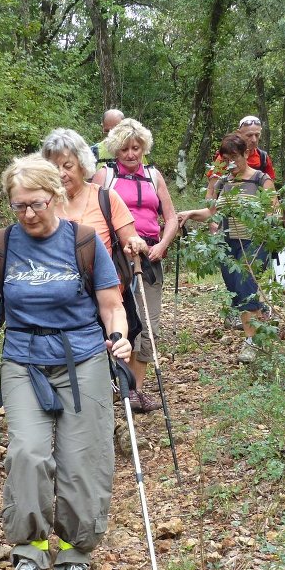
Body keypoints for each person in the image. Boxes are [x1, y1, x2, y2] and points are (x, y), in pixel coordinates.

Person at [0, 155, 131, 570]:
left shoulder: (84, 241)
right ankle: (31, 555)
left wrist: (118, 337)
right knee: (26, 452)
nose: (28, 214)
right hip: (24, 360)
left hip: (81, 359)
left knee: (83, 461)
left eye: (36, 204)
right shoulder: (2, 245)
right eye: (19, 206)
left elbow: (110, 305)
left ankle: (76, 558)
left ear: (56, 197)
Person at [92, 118, 179, 412]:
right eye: (125, 149)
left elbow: (172, 217)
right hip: (114, 259)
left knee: (147, 325)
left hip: (149, 258)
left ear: (144, 148)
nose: (131, 154)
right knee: (119, 322)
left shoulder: (154, 176)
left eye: (136, 148)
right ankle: (116, 386)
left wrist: (162, 246)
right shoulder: (105, 175)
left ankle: (135, 391)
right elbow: (91, 213)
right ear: (116, 149)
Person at [178, 132, 285, 363]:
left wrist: (262, 220)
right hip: (229, 244)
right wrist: (189, 214)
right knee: (237, 292)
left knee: (246, 287)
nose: (230, 164)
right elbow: (212, 213)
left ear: (246, 154)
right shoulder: (224, 182)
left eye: (234, 157)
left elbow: (275, 213)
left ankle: (252, 343)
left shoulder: (260, 180)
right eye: (225, 159)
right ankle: (262, 333)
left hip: (255, 243)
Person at [41, 127, 148, 264]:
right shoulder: (42, 203)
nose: (61, 174)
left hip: (102, 284)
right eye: (54, 168)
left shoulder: (106, 198)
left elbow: (135, 245)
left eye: (68, 166)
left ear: (82, 164)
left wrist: (136, 243)